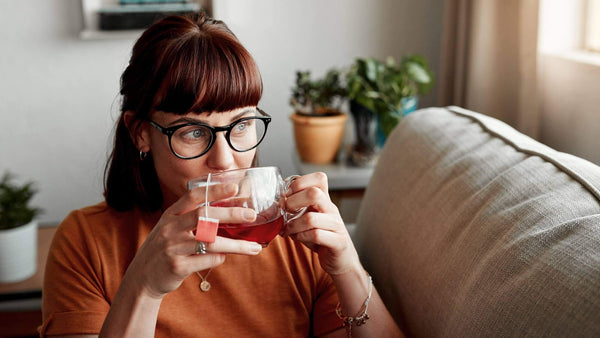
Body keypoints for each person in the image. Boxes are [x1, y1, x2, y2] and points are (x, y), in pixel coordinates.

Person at [41, 12, 402, 337]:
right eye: (193, 132)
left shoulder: (295, 234)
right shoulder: (84, 243)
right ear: (140, 132)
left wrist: (348, 269)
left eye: (241, 124)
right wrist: (144, 287)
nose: (226, 160)